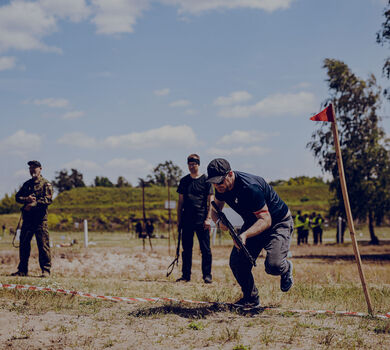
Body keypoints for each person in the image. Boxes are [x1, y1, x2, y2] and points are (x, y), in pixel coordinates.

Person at [208, 158, 293, 308]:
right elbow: (215, 210)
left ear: (230, 174)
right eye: (214, 182)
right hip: (253, 222)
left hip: (277, 222)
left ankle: (286, 267)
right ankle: (251, 298)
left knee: (273, 266)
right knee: (237, 262)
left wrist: (244, 235)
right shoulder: (221, 187)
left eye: (219, 181)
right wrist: (218, 222)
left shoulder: (250, 187)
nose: (217, 186)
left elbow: (266, 220)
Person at [11, 160, 53, 277]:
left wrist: (33, 204)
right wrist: (26, 199)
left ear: (40, 169)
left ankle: (46, 270)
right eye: (30, 168)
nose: (32, 170)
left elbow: (48, 200)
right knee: (24, 246)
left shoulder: (46, 184)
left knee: (43, 246)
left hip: (40, 221)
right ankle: (22, 270)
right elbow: (17, 197)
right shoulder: (27, 184)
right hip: (28, 220)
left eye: (35, 167)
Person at [176, 154, 213, 284]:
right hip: (187, 220)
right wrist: (179, 220)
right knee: (186, 249)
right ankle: (186, 275)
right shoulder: (184, 181)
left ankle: (207, 275)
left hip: (202, 220)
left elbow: (211, 202)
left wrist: (208, 219)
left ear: (198, 164)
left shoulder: (206, 180)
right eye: (189, 164)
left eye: (194, 164)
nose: (192, 166)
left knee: (205, 250)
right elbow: (180, 202)